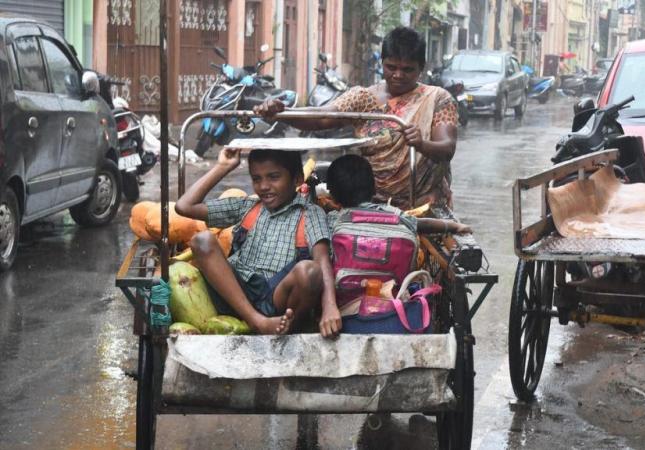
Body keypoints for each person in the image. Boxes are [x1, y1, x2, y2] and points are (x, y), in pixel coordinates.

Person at [255, 26, 458, 209]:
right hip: (372, 204)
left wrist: (422, 144)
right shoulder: (362, 97)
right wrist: (282, 112)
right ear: (382, 63)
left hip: (423, 204)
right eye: (391, 67)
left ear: (421, 67)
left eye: (407, 69)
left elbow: (447, 147)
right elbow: (322, 118)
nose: (398, 75)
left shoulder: (438, 98)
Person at [175, 147, 342, 337]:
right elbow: (184, 206)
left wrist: (330, 306)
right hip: (235, 292)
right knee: (201, 240)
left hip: (277, 299)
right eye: (256, 179)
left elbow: (322, 260)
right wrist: (223, 166)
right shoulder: (248, 206)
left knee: (309, 271)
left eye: (273, 177)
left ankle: (287, 327)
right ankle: (257, 322)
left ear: (296, 179)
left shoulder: (310, 213)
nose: (263, 186)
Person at [325, 154, 471, 235]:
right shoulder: (393, 215)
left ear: (334, 196)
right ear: (374, 189)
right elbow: (423, 224)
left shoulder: (334, 219)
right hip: (394, 282)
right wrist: (454, 226)